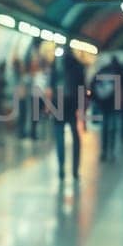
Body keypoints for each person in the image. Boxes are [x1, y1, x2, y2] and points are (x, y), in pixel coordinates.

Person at [51, 50, 87, 180]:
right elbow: (82, 89)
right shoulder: (78, 67)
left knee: (59, 136)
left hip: (58, 105)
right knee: (75, 137)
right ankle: (75, 169)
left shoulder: (56, 65)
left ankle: (61, 167)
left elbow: (51, 87)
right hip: (72, 105)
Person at [92, 56, 123, 161]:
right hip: (114, 105)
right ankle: (111, 150)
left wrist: (96, 99)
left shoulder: (100, 72)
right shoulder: (117, 72)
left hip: (104, 104)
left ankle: (104, 151)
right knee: (113, 128)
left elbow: (92, 85)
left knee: (105, 128)